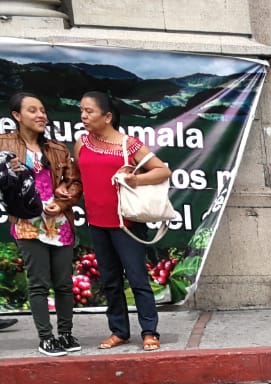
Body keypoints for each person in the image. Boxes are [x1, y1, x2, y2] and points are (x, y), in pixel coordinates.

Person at [74, 90, 171, 352]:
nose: (83, 116)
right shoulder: (82, 143)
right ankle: (119, 331)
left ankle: (150, 331)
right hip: (97, 223)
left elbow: (163, 170)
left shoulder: (130, 145)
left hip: (126, 224)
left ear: (107, 116)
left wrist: (134, 179)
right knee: (110, 281)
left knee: (138, 278)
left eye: (89, 111)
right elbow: (78, 179)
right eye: (82, 110)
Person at [0, 93, 82, 355]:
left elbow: (75, 183)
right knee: (38, 282)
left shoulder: (57, 149)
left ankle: (66, 334)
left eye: (43, 110)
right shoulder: (3, 144)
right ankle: (46, 337)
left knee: (64, 283)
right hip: (27, 223)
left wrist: (62, 202)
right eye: (33, 110)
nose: (41, 115)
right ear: (16, 116)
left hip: (59, 223)